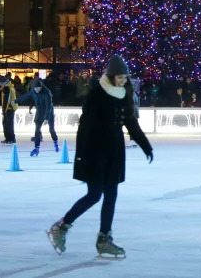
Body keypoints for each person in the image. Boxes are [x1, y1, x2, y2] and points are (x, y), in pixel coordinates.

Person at [47, 55, 153, 258]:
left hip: (114, 152)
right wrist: (82, 156)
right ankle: (61, 227)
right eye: (120, 77)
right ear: (111, 76)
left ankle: (104, 239)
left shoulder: (124, 94)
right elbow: (84, 128)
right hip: (95, 152)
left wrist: (145, 146)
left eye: (125, 77)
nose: (123, 81)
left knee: (111, 195)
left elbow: (131, 123)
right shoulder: (97, 95)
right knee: (95, 194)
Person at [18, 78, 58, 156]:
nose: (37, 89)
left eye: (38, 88)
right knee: (37, 129)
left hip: (48, 112)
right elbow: (31, 98)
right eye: (35, 88)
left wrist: (46, 118)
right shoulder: (34, 90)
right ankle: (37, 148)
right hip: (40, 112)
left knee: (51, 129)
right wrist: (30, 107)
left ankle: (55, 143)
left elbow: (49, 106)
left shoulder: (47, 92)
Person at [0, 75, 17, 144]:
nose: (0, 84)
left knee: (8, 124)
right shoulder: (10, 87)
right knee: (7, 124)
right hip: (11, 108)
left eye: (0, 83)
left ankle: (10, 139)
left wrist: (4, 110)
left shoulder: (7, 88)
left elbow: (6, 100)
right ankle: (9, 138)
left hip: (9, 108)